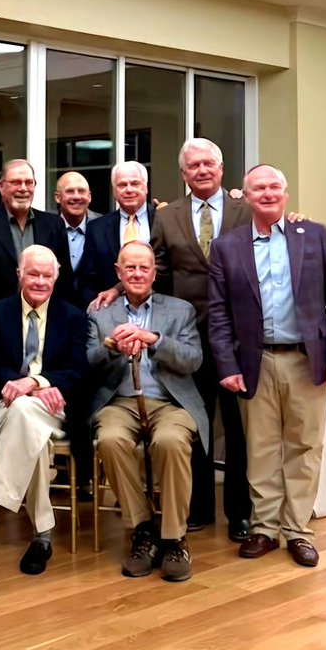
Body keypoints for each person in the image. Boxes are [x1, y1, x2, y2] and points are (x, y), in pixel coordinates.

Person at [94, 138, 252, 540]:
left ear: (221, 167)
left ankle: (240, 513)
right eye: (192, 166)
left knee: (237, 431)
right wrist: (117, 287)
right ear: (183, 174)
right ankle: (197, 508)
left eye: (208, 164)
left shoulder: (245, 210)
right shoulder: (168, 216)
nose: (201, 170)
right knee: (193, 423)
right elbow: (154, 265)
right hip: (187, 335)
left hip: (236, 338)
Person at [208, 165, 326, 568]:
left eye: (275, 187)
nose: (268, 193)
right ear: (247, 197)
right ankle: (264, 528)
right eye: (259, 188)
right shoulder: (227, 246)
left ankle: (299, 531)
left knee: (305, 447)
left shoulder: (316, 236)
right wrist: (226, 363)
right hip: (255, 361)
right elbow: (218, 313)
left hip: (308, 361)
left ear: (285, 194)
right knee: (261, 449)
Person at [0, 246, 87, 575]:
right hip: (7, 406)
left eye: (47, 275)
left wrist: (37, 381)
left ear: (56, 277)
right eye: (33, 274)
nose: (40, 281)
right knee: (29, 424)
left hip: (54, 408)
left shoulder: (73, 316)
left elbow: (79, 371)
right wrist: (22, 387)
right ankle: (41, 535)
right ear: (19, 275)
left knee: (29, 415)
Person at [87, 242, 208, 583]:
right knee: (109, 440)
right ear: (118, 273)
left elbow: (192, 360)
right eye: (130, 268)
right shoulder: (100, 312)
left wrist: (153, 339)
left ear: (155, 273)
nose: (137, 274)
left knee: (170, 441)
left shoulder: (180, 310)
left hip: (170, 402)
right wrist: (111, 347)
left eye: (144, 268)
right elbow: (88, 364)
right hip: (119, 402)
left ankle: (173, 538)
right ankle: (142, 530)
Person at [0, 159, 73, 305]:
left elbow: (65, 279)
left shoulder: (53, 224)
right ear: (1, 186)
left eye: (29, 182)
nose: (23, 188)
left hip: (44, 316)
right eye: (16, 182)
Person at [78, 161, 156, 309]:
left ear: (146, 187)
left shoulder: (163, 220)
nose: (129, 190)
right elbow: (88, 279)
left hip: (157, 311)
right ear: (114, 190)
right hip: (110, 311)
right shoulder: (96, 228)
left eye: (135, 183)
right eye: (122, 185)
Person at [54, 170, 100, 278]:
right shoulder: (45, 227)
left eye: (81, 191)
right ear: (57, 197)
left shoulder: (103, 227)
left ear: (89, 197)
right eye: (70, 191)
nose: (76, 196)